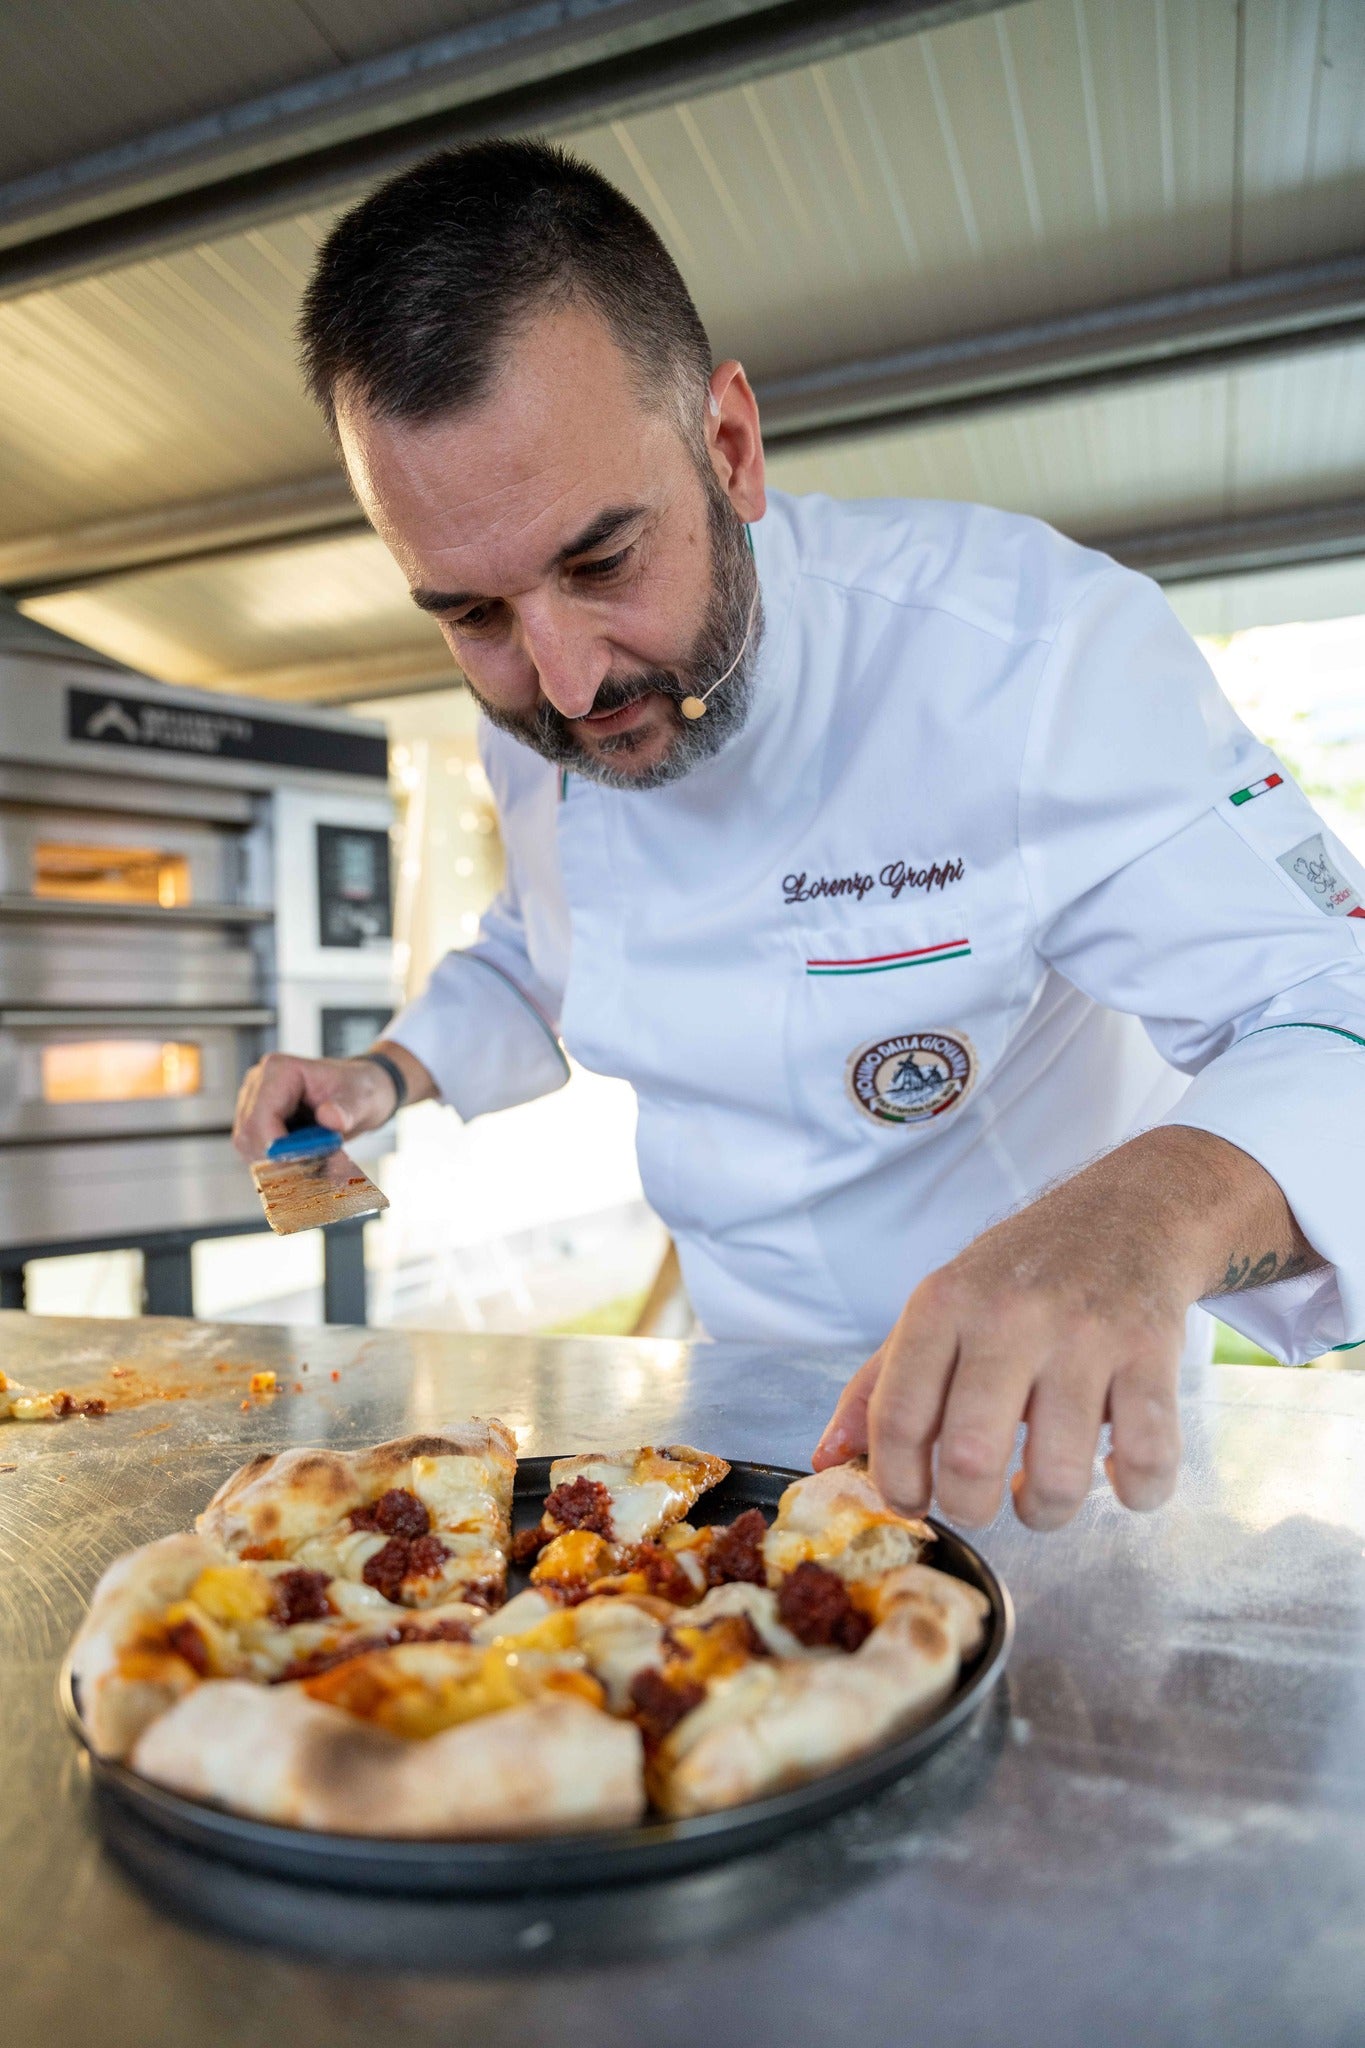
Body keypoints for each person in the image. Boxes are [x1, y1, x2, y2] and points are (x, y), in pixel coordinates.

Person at [233, 140, 1365, 1532]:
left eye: (601, 563)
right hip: (731, 1445)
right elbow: (541, 949)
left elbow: (1331, 997)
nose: (569, 684)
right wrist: (386, 1072)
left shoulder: (1025, 655)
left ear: (729, 446)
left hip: (1043, 1464)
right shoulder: (532, 720)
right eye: (470, 613)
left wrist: (1148, 1217)